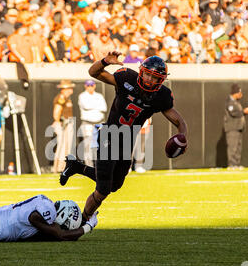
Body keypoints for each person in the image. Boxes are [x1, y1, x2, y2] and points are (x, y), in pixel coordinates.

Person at [59, 53, 188, 222]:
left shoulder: (161, 96)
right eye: (147, 74)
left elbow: (179, 120)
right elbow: (93, 73)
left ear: (161, 80)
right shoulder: (126, 78)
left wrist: (183, 136)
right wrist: (105, 62)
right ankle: (82, 221)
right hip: (109, 135)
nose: (149, 79)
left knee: (115, 185)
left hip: (127, 142)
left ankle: (76, 167)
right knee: (103, 190)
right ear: (141, 72)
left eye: (154, 77)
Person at [78, 79, 107, 167]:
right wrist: (97, 106)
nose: (90, 87)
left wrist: (92, 106)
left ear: (94, 86)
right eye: (88, 85)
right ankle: (89, 166)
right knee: (88, 146)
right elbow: (86, 106)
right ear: (85, 86)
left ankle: (101, 165)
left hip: (99, 123)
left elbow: (104, 108)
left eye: (92, 85)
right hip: (88, 123)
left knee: (102, 145)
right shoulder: (82, 96)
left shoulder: (99, 95)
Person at [224, 84, 248, 170]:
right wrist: (243, 112)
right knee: (233, 146)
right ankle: (231, 165)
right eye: (239, 92)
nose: (241, 95)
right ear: (235, 93)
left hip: (238, 128)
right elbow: (234, 113)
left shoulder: (236, 102)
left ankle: (236, 164)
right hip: (232, 128)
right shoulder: (230, 102)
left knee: (238, 147)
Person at [52, 80, 75, 173]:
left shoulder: (67, 98)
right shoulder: (61, 97)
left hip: (67, 123)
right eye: (68, 88)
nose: (71, 90)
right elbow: (57, 111)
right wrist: (57, 121)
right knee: (62, 146)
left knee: (67, 146)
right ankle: (58, 167)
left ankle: (63, 167)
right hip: (63, 123)